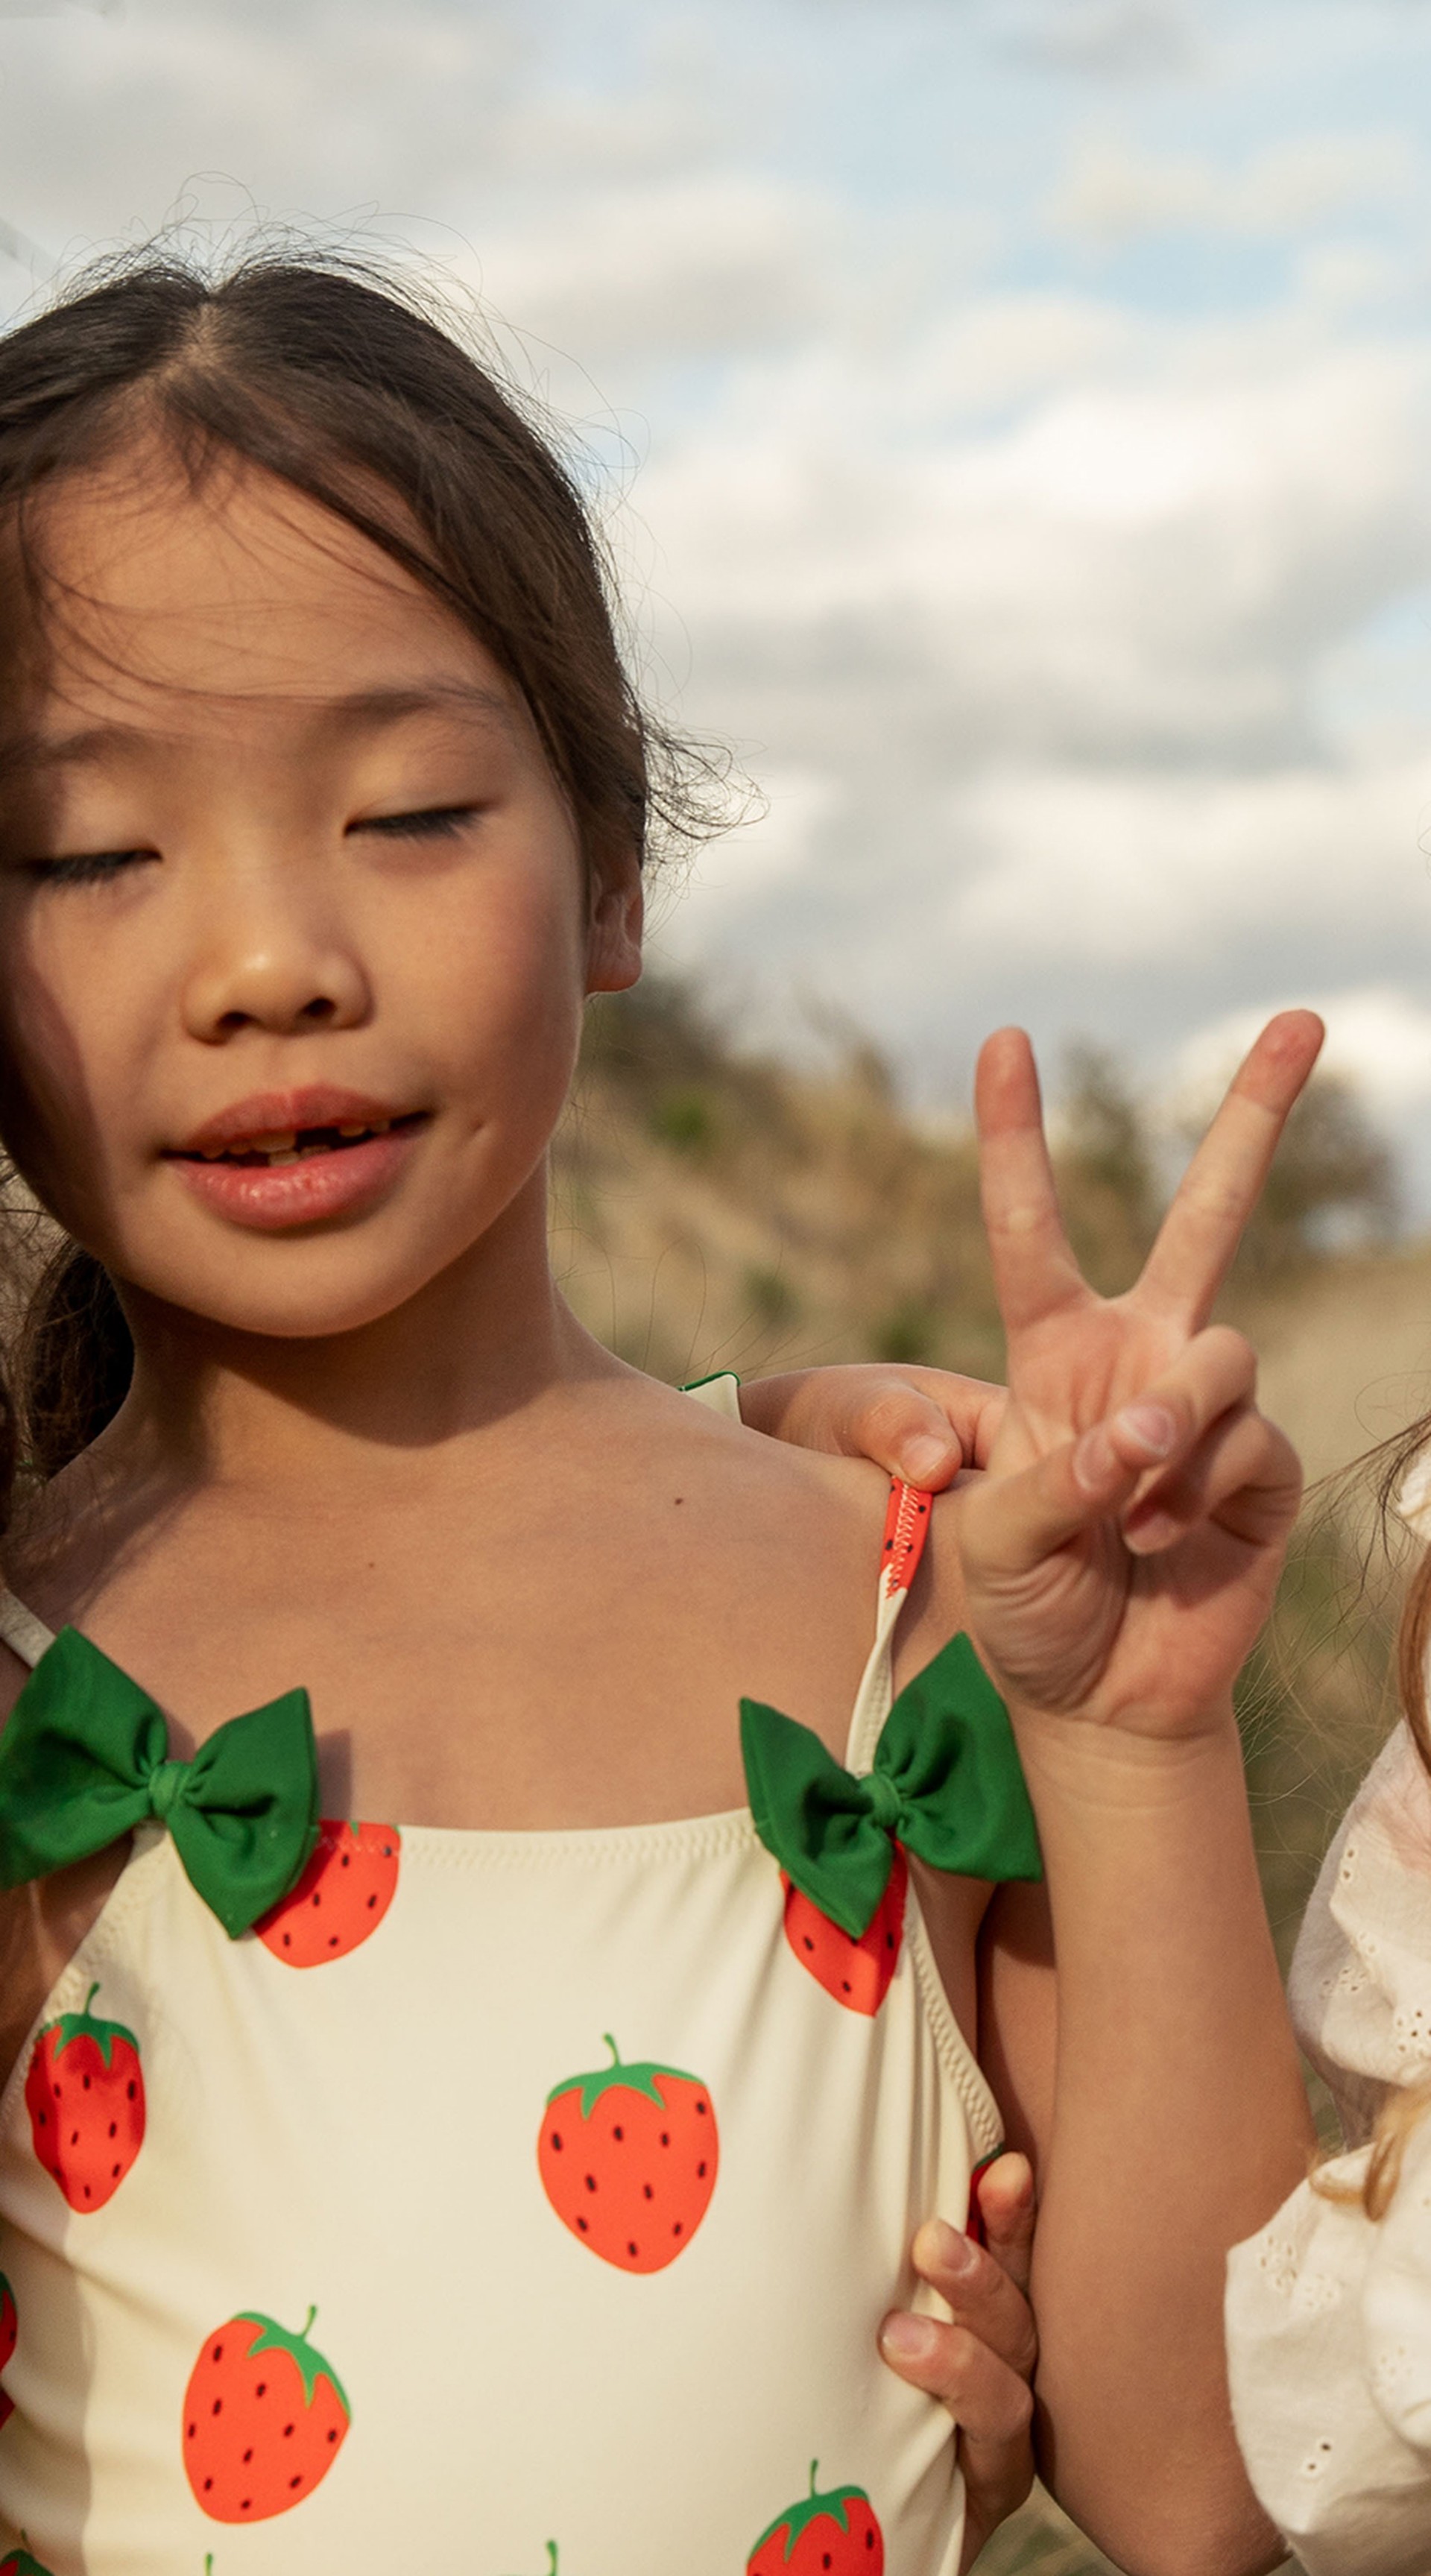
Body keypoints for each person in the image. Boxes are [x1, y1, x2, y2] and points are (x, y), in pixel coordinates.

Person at [0, 245, 1311, 2576]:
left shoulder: (899, 1605)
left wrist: (1135, 1740)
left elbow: (1213, 2488)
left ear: (609, 867)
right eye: (90, 852)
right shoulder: (29, 1685)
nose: (266, 959)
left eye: (404, 814)